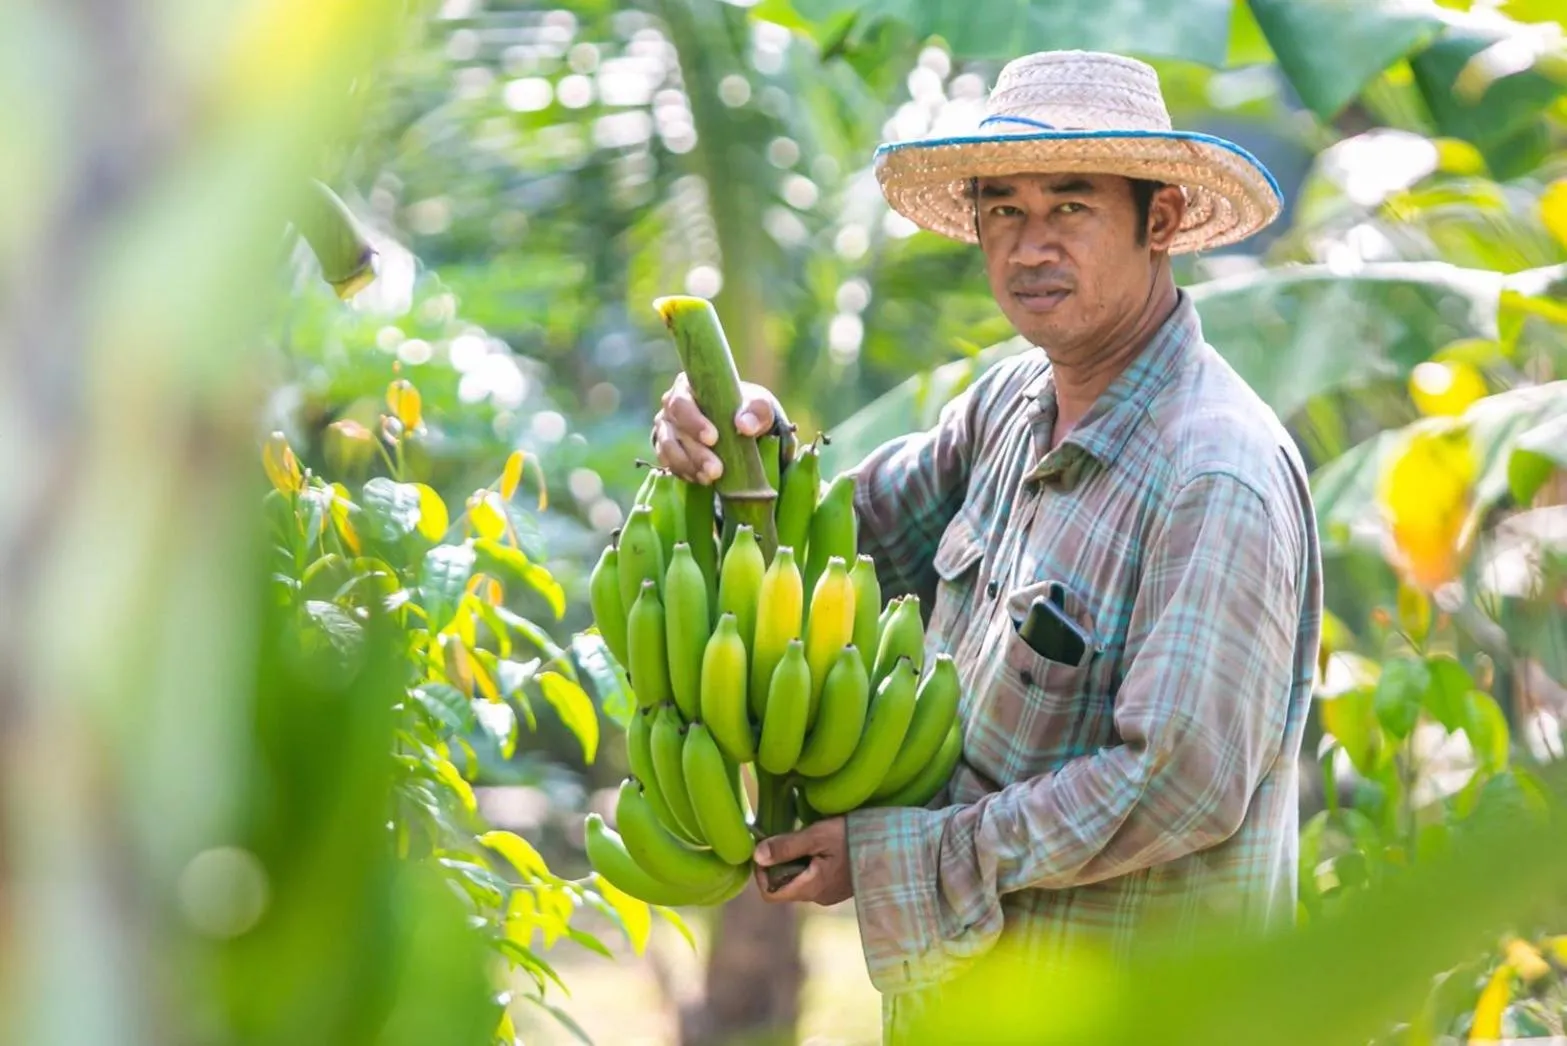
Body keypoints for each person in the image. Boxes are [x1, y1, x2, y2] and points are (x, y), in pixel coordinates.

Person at [652, 49, 1323, 1041]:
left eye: (1070, 206)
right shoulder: (1009, 405)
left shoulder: (1211, 472)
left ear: (1163, 220)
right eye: (1002, 209)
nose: (1029, 245)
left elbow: (1178, 785)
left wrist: (907, 859)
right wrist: (732, 446)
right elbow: (842, 541)